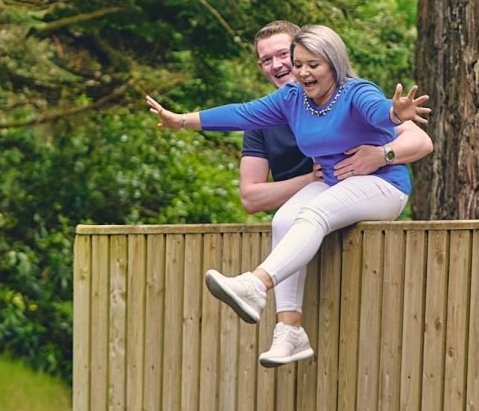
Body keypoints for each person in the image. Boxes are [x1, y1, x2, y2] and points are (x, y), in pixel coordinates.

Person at [146, 25, 433, 368]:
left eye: (313, 64)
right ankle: (290, 331)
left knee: (314, 214)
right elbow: (241, 113)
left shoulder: (356, 92)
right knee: (284, 219)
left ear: (333, 63)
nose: (303, 72)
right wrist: (180, 121)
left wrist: (394, 116)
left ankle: (256, 284)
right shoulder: (292, 99)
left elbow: (379, 110)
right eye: (299, 65)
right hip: (334, 183)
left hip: (383, 185)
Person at [239, 19, 432, 217]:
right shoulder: (260, 121)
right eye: (267, 60)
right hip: (301, 222)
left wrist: (382, 155)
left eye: (283, 54)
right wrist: (313, 179)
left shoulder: (346, 98)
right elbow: (250, 197)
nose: (277, 65)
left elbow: (421, 141)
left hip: (356, 215)